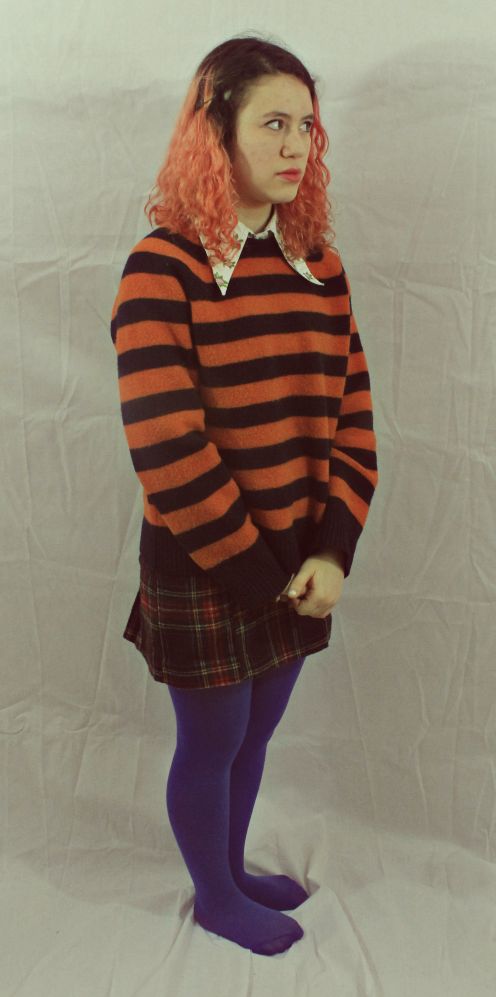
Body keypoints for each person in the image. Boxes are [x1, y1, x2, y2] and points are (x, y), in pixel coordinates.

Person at [110, 33, 378, 957]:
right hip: (209, 563)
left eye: (307, 125)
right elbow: (167, 448)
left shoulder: (320, 268)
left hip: (301, 565)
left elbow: (355, 418)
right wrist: (265, 576)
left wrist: (331, 551)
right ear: (214, 131)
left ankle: (229, 868)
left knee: (258, 733)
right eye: (273, 123)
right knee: (213, 741)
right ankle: (217, 895)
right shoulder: (163, 268)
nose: (297, 144)